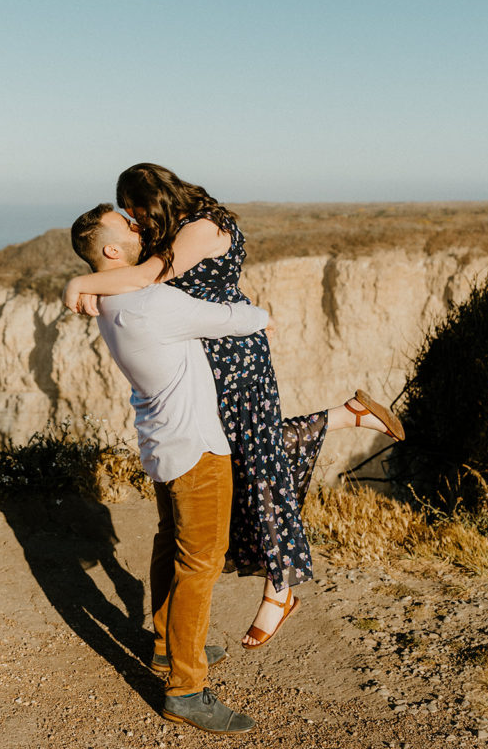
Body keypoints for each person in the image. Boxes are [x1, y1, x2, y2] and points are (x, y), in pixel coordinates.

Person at [63, 165, 405, 649]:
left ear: (153, 199)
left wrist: (77, 285)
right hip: (213, 345)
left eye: (134, 210)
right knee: (252, 452)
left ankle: (281, 587)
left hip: (230, 351)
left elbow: (141, 276)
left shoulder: (199, 230)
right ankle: (346, 416)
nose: (136, 222)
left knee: (257, 461)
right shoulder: (182, 228)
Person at [68, 202, 270, 733]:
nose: (138, 228)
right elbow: (245, 319)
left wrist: (83, 284)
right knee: (200, 564)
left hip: (161, 442)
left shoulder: (116, 304)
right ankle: (186, 688)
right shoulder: (155, 303)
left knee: (170, 541)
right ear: (113, 251)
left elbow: (130, 280)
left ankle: (165, 644)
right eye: (127, 226)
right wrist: (255, 307)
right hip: (197, 448)